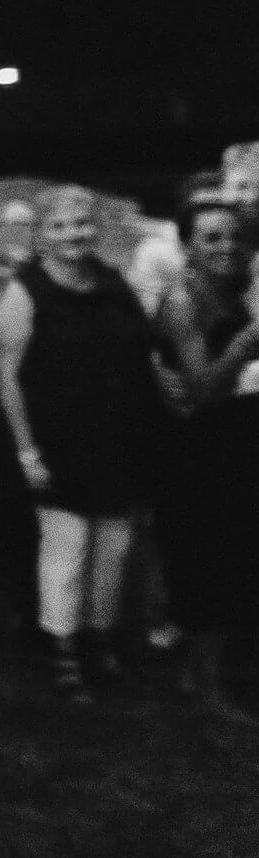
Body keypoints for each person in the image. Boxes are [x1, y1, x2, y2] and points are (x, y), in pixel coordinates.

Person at [0, 185, 161, 700]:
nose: (72, 235)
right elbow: (6, 372)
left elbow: (140, 347)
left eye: (81, 223)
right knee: (68, 548)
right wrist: (26, 450)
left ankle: (98, 642)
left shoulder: (113, 281)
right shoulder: (27, 288)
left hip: (116, 437)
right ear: (41, 234)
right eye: (59, 226)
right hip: (55, 439)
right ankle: (61, 649)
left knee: (114, 546)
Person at [151, 194, 259, 719]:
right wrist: (251, 339)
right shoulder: (182, 297)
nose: (228, 246)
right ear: (187, 244)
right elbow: (201, 387)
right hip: (196, 449)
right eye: (212, 236)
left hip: (236, 441)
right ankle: (205, 689)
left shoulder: (238, 289)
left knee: (234, 555)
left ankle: (202, 673)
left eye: (235, 236)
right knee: (206, 561)